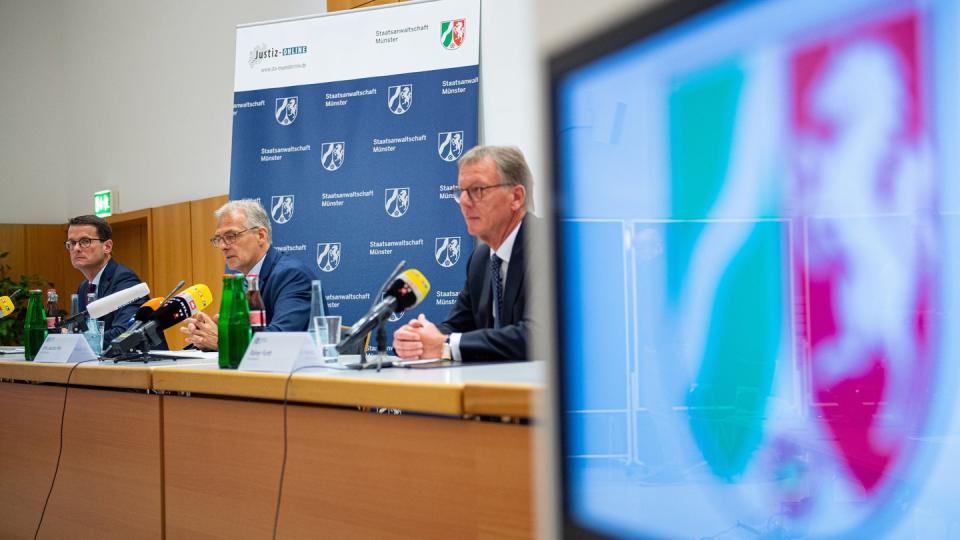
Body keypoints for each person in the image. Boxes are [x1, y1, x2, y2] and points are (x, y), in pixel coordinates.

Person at [392, 145, 534, 362]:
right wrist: (417, 339)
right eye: (460, 192)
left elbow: (535, 337)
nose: (465, 202)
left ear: (516, 197)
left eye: (478, 190)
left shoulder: (549, 248)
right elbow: (456, 325)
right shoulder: (481, 260)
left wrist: (444, 345)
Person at [182, 199, 316, 350]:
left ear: (261, 235)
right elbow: (249, 334)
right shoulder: (244, 283)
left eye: (231, 236)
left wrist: (224, 341)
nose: (222, 246)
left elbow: (280, 339)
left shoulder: (292, 275)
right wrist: (205, 338)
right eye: (219, 239)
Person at [67, 214, 154, 345]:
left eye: (85, 241)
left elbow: (125, 332)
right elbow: (83, 330)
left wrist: (78, 341)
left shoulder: (124, 280)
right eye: (72, 243)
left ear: (107, 246)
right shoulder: (84, 287)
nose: (76, 248)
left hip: (140, 362)